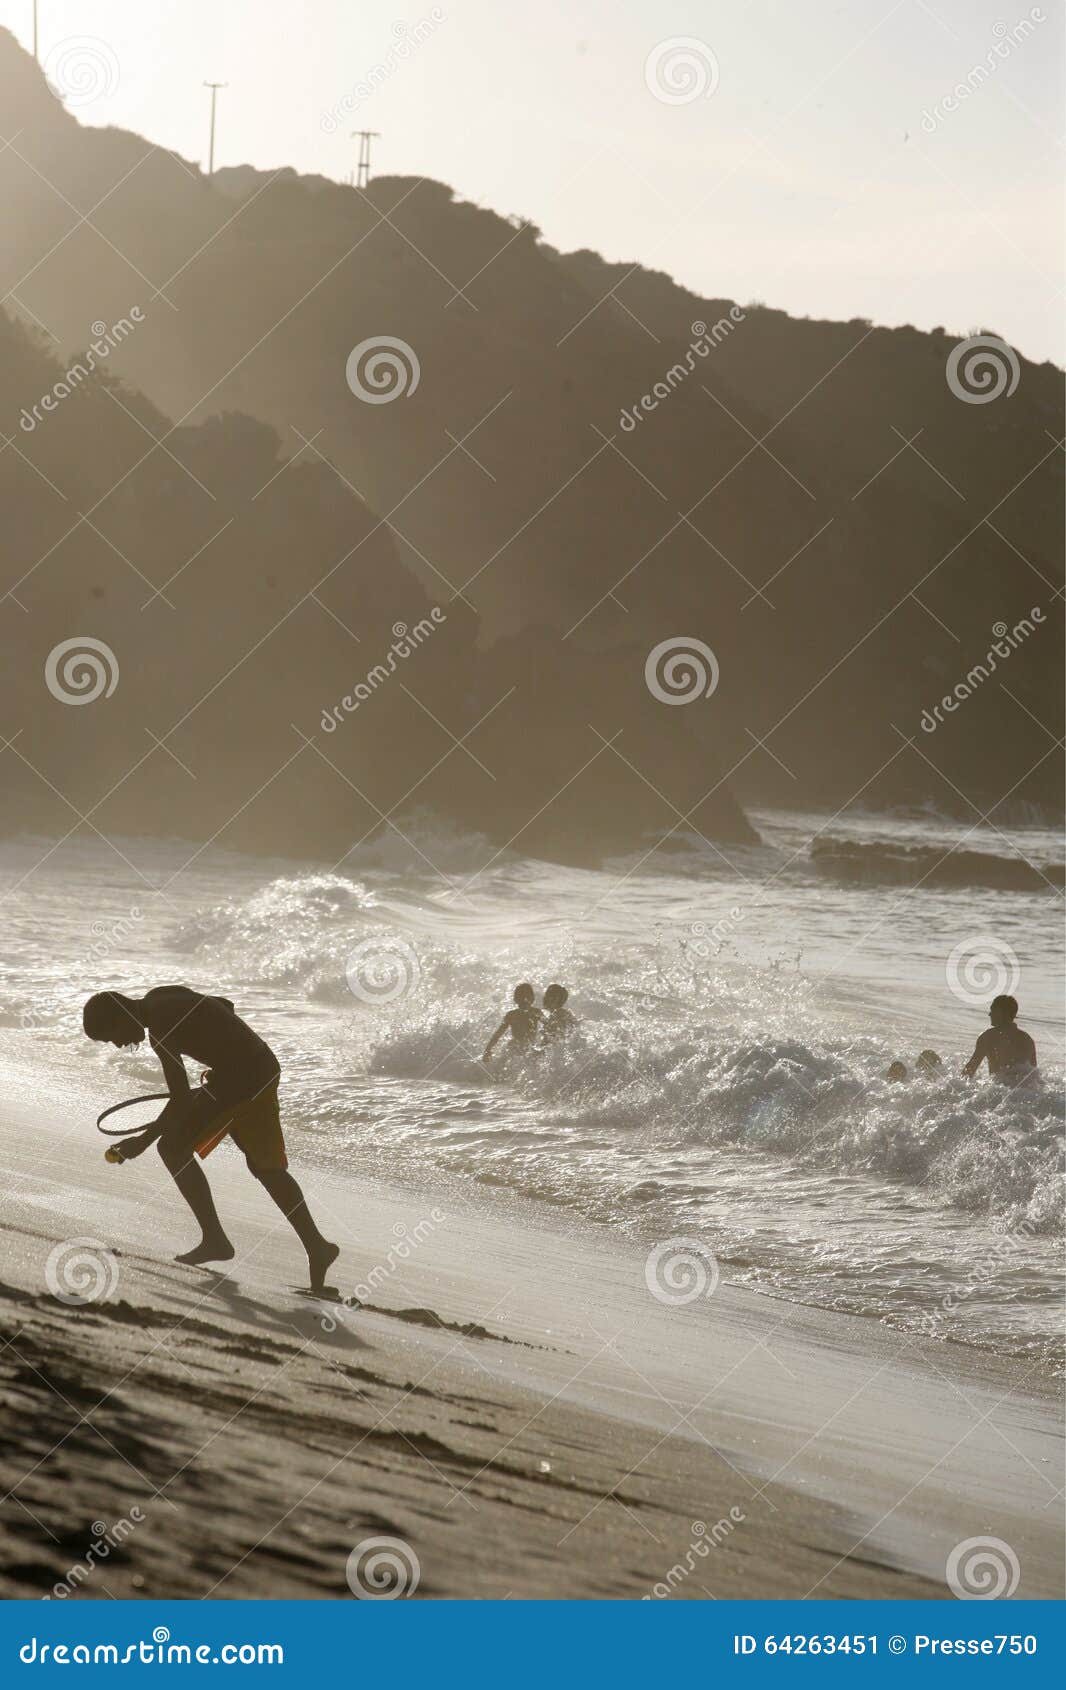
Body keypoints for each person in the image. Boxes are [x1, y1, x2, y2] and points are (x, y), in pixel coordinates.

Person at [83, 986, 339, 1289]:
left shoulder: (160, 1030)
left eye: (113, 1035)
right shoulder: (161, 996)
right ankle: (316, 1247)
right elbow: (223, 1006)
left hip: (245, 1080)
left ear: (121, 1015)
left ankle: (218, 1240)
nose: (118, 1044)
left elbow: (179, 1100)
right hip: (257, 1068)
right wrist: (223, 1059)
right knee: (265, 1168)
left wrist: (141, 1141)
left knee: (172, 1148)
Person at [964, 994, 1037, 1083]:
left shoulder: (987, 1037)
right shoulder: (1027, 1039)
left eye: (992, 1010)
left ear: (999, 1012)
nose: (989, 1014)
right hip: (1025, 1093)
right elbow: (1034, 1077)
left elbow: (969, 1071)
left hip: (999, 1091)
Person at [482, 983, 542, 1063]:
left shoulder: (536, 1013)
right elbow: (498, 1034)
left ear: (532, 998)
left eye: (527, 997)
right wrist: (488, 1050)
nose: (525, 1000)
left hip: (528, 1047)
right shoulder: (512, 1015)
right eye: (521, 998)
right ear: (516, 1000)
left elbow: (549, 1026)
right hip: (514, 1047)